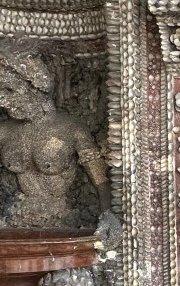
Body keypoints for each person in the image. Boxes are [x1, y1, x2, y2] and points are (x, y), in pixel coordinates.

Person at [0, 44, 110, 228]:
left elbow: (99, 178)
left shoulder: (70, 128)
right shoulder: (4, 131)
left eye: (9, 91)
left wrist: (109, 214)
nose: (3, 101)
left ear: (34, 89)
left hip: (67, 220)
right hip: (15, 217)